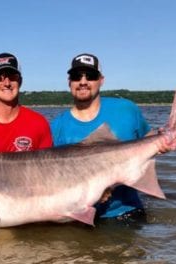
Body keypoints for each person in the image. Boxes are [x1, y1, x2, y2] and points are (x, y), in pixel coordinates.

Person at [50, 53, 152, 220]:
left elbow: (148, 143)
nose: (83, 82)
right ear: (69, 82)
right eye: (76, 77)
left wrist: (167, 140)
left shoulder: (126, 110)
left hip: (126, 213)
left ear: (101, 80)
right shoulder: (57, 127)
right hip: (79, 218)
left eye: (90, 76)